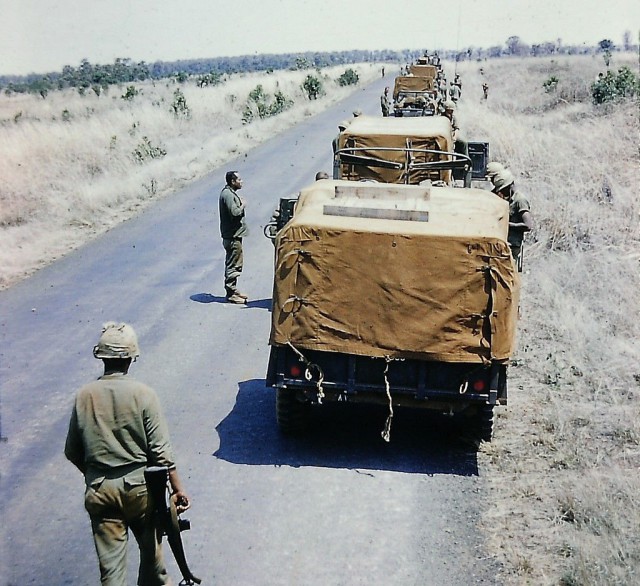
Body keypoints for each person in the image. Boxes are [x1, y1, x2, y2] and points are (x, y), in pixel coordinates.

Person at [65, 322, 190, 586]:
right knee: (153, 565)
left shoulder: (83, 396)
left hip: (100, 490)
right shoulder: (144, 395)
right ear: (132, 357)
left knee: (111, 574)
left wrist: (97, 478)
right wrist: (177, 490)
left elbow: (73, 451)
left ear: (101, 357)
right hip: (141, 492)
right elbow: (162, 454)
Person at [491, 169, 534, 268]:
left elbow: (528, 225)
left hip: (512, 247)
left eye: (503, 189)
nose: (501, 192)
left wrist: (506, 224)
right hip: (503, 244)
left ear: (510, 186)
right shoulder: (508, 199)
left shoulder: (520, 200)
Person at [219, 170, 248, 304]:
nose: (241, 182)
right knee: (233, 265)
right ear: (232, 181)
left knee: (236, 263)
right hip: (232, 237)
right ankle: (230, 293)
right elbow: (235, 213)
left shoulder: (229, 193)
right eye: (239, 180)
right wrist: (242, 205)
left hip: (233, 235)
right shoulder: (228, 195)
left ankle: (233, 289)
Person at [442, 101, 471, 187]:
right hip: (444, 136)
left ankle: (465, 161)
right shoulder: (441, 117)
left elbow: (457, 129)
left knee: (463, 142)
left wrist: (454, 137)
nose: (450, 112)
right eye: (449, 111)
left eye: (452, 111)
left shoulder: (454, 118)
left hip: (452, 135)